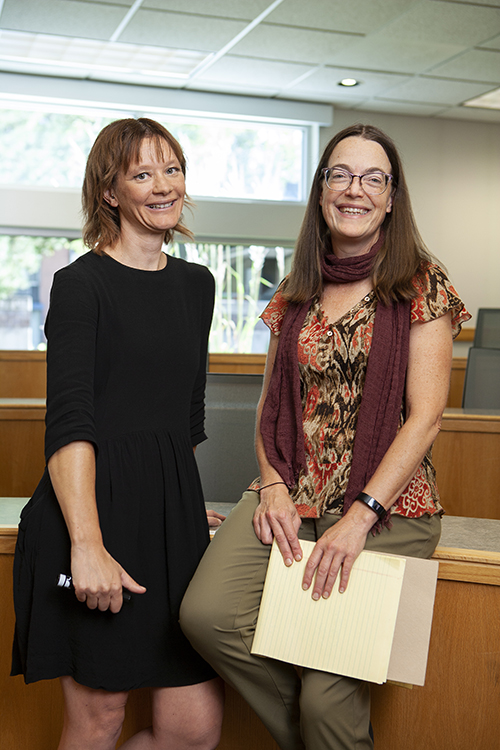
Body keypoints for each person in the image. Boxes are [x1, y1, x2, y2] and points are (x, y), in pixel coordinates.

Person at [180, 123, 470, 750]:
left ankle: (325, 727)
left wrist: (361, 516)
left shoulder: (423, 282)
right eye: (340, 174)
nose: (354, 189)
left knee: (328, 695)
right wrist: (274, 486)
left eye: (373, 178)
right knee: (205, 616)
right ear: (320, 191)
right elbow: (269, 410)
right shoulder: (297, 289)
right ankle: (324, 736)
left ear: (393, 197)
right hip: (292, 495)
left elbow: (426, 416)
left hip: (388, 510)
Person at [11, 117, 224, 750]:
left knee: (194, 730)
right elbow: (70, 425)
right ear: (110, 191)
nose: (163, 186)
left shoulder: (197, 285)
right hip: (90, 519)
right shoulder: (81, 286)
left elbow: (186, 417)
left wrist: (181, 505)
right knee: (99, 719)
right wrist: (87, 545)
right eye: (142, 173)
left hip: (168, 528)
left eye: (172, 168)